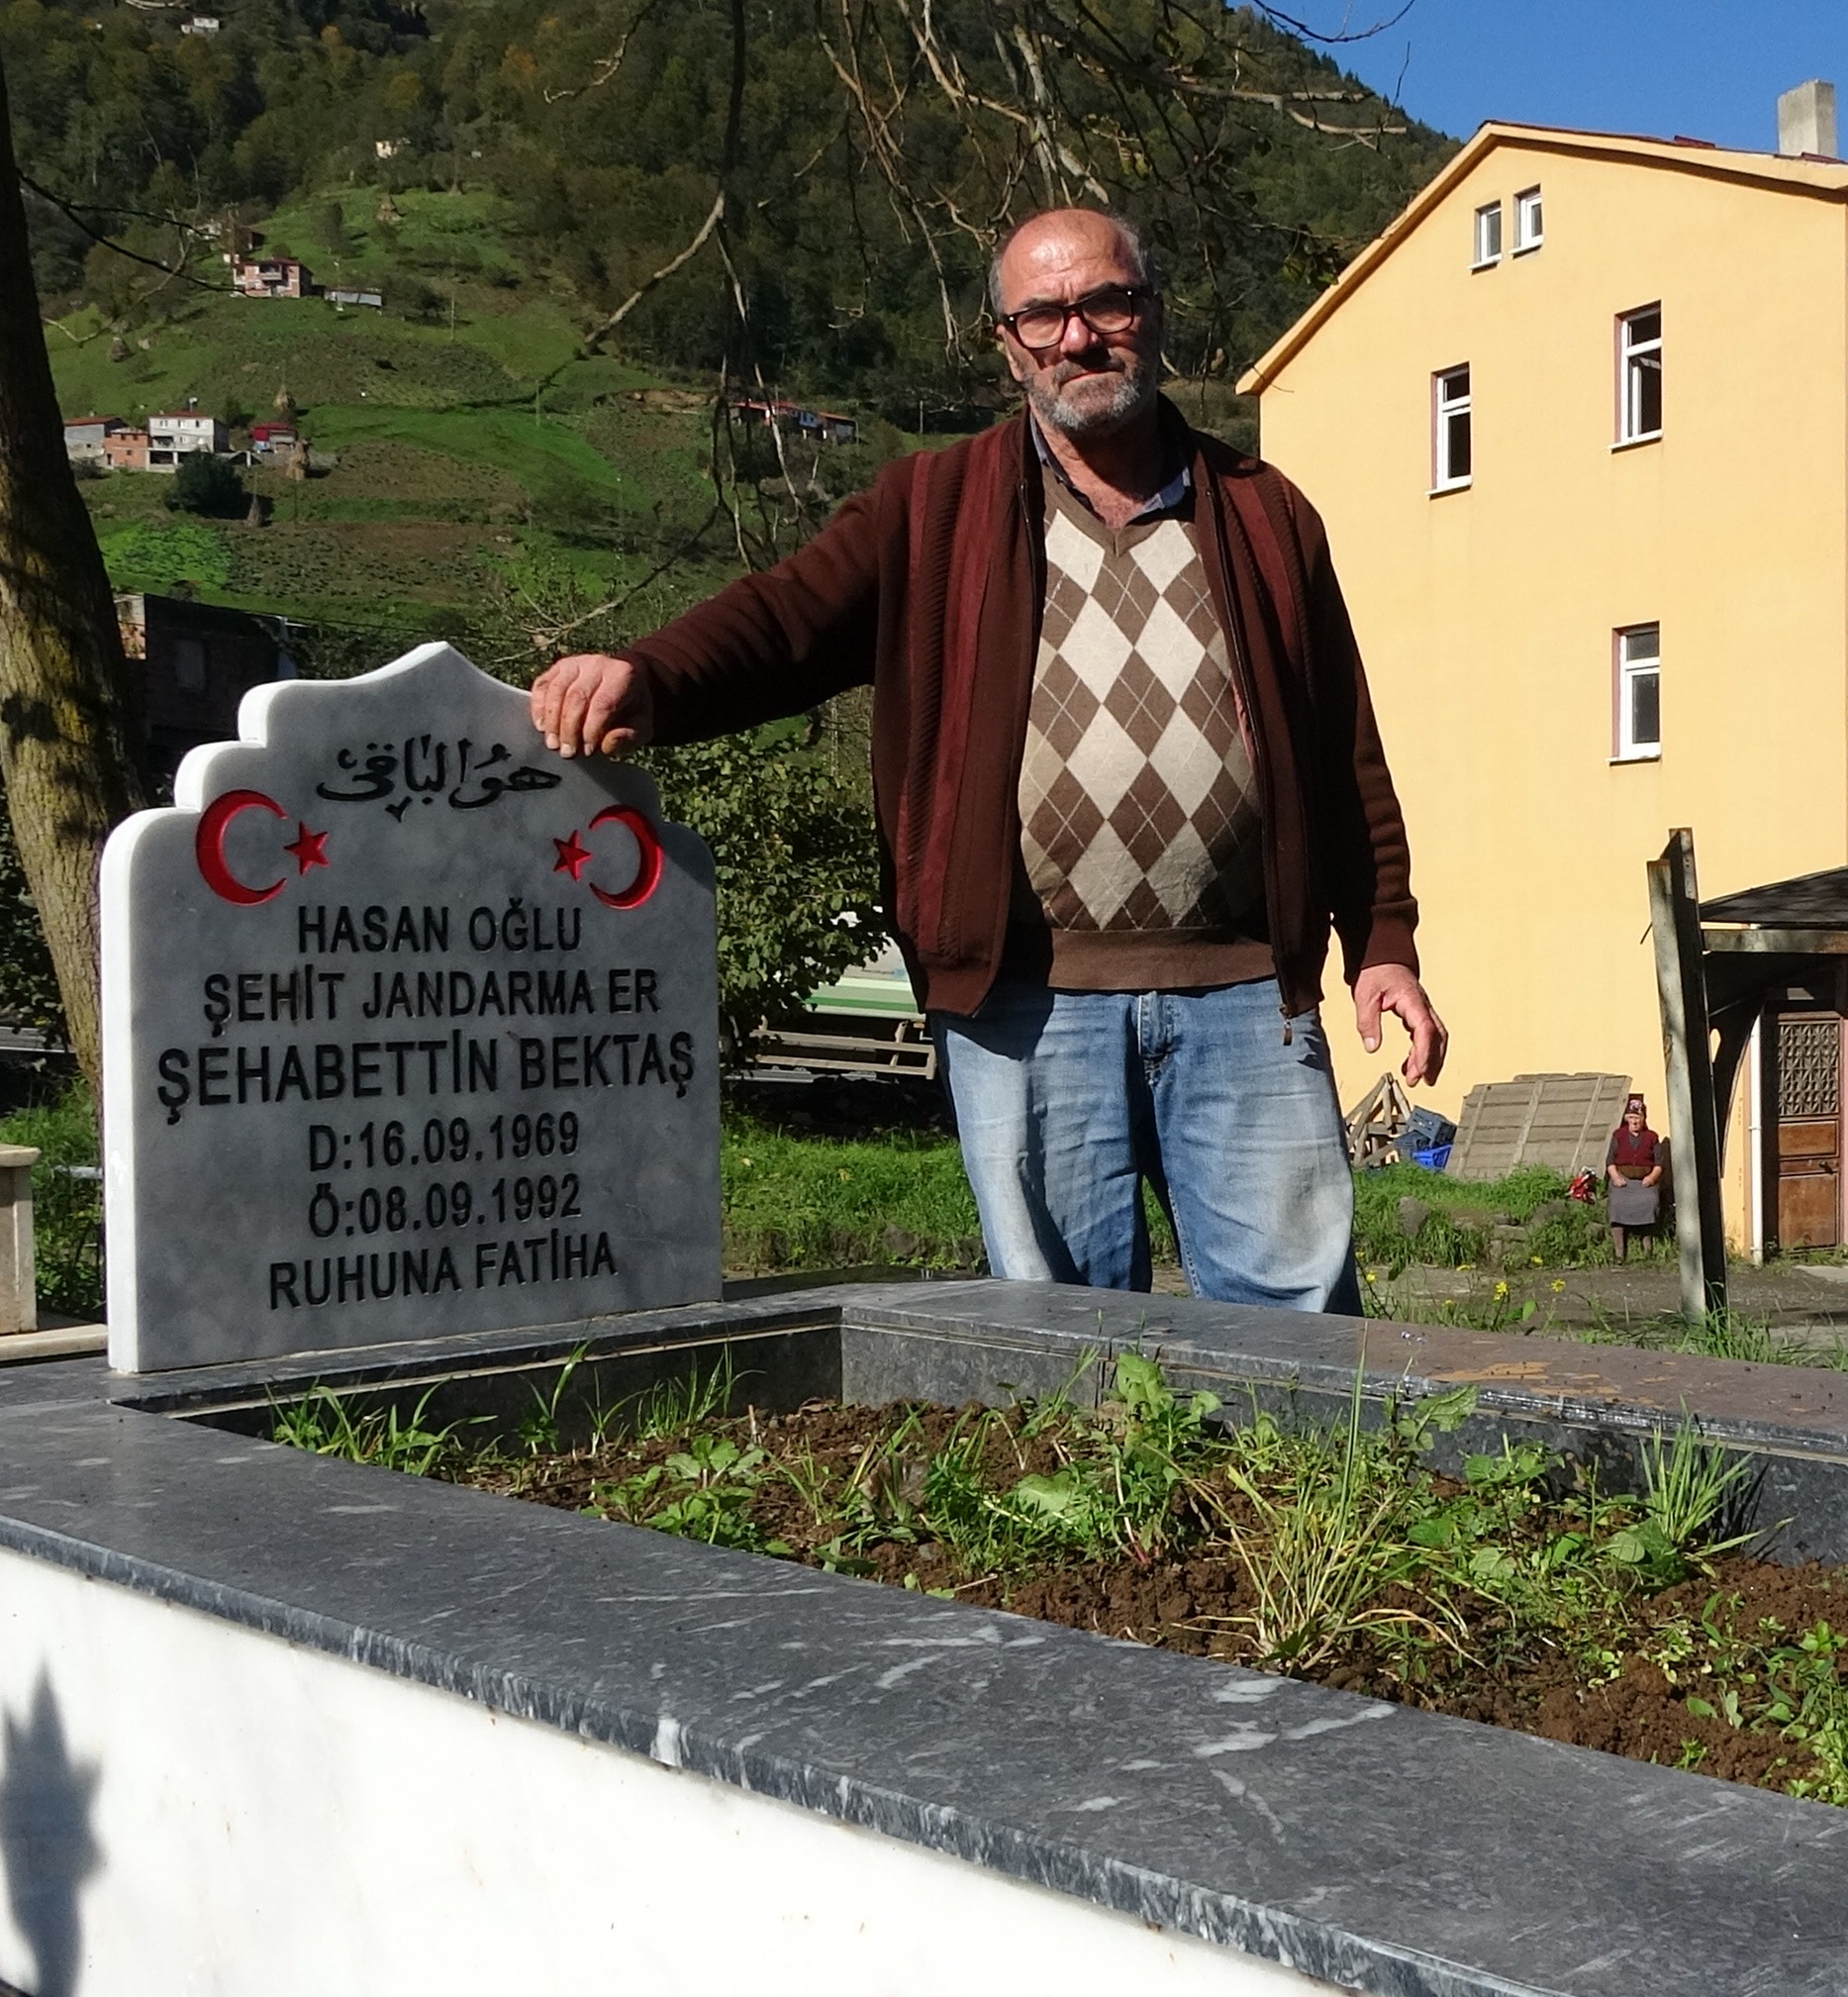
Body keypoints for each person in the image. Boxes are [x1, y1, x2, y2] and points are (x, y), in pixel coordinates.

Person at [528, 208, 1444, 1314]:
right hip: (1025, 996)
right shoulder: (933, 509)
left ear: (1151, 316)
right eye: (1044, 314)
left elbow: (1344, 745)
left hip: (1248, 991)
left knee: (1293, 1315)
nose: (1078, 337)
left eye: (1106, 302)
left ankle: (1305, 1498)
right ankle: (1109, 1495)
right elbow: (785, 623)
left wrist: (1380, 938)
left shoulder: (1262, 514)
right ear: (1005, 342)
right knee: (1059, 1328)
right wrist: (651, 677)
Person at [1603, 1094, 1666, 1262]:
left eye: (1637, 1117)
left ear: (1643, 1118)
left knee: (1650, 1202)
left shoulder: (1652, 1137)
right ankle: (1619, 1253)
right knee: (1617, 1204)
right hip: (1623, 1181)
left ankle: (1647, 1251)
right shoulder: (1618, 1135)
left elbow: (1659, 1163)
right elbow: (1610, 1161)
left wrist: (1652, 1178)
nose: (1634, 1121)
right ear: (1626, 1119)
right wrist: (1615, 1177)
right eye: (1631, 1117)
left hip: (1645, 1182)